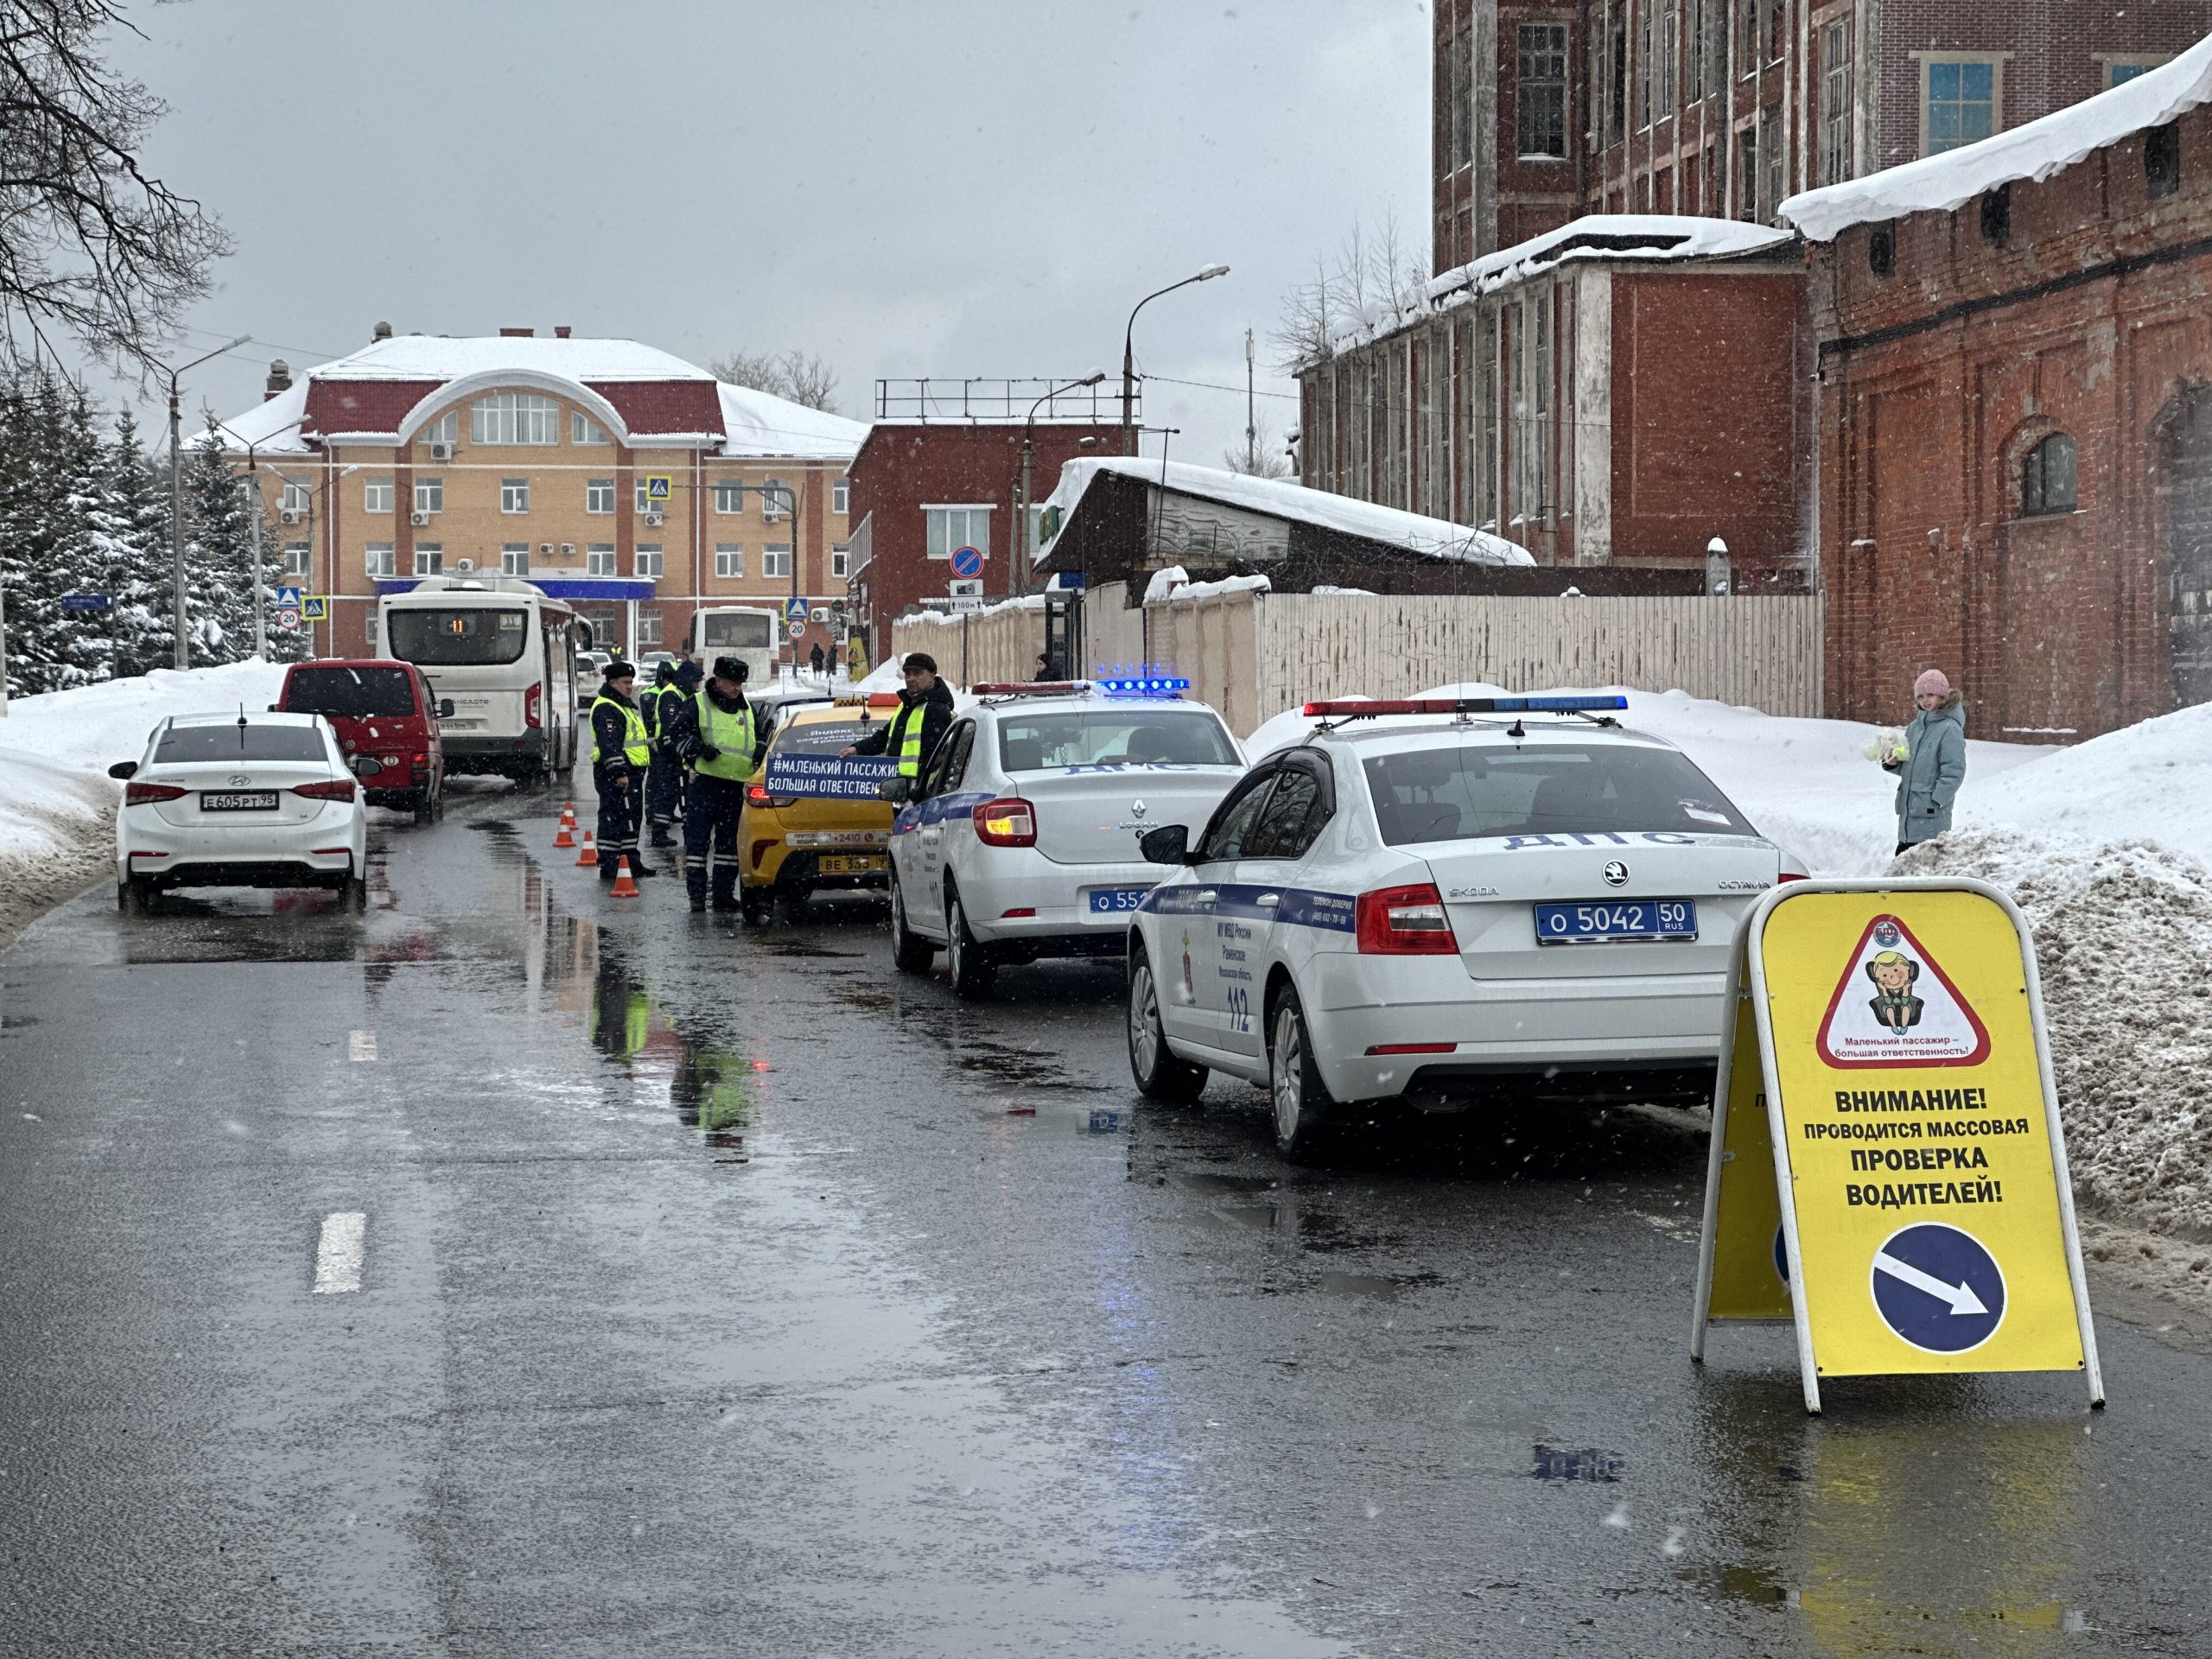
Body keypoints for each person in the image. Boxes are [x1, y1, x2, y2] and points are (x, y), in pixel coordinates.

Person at [668, 655, 765, 913]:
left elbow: (760, 736)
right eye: (732, 683)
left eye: (741, 684)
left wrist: (761, 749)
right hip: (706, 785)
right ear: (719, 680)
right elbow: (675, 735)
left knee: (729, 846)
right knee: (698, 845)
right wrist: (697, 748)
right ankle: (697, 897)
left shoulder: (746, 708)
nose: (737, 689)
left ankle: (723, 896)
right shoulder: (697, 704)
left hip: (737, 787)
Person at [588, 661, 658, 880]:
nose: (629, 687)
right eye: (625, 683)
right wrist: (618, 772)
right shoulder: (607, 707)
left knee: (630, 817)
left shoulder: (623, 705)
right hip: (616, 773)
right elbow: (610, 744)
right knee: (614, 817)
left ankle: (630, 861)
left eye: (631, 682)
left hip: (631, 772)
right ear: (612, 683)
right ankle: (609, 864)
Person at [842, 651, 955, 785]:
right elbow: (883, 738)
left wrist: (919, 789)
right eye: (908, 673)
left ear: (932, 675)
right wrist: (857, 749)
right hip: (900, 787)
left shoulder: (936, 710)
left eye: (917, 673)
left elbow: (933, 758)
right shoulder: (906, 706)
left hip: (919, 790)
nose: (911, 678)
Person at [1885, 668, 1967, 855]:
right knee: (1904, 874)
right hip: (1908, 818)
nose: (1925, 700)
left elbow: (1954, 772)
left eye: (1930, 694)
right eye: (1921, 696)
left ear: (1942, 695)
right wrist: (1894, 763)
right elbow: (1909, 767)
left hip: (1932, 819)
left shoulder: (1950, 729)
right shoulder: (1914, 727)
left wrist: (1936, 800)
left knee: (1925, 876)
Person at [641, 659, 685, 849]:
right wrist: (652, 738)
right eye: (666, 678)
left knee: (668, 784)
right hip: (656, 744)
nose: (668, 682)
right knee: (656, 780)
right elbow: (652, 719)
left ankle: (665, 814)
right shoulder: (650, 694)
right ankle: (651, 812)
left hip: (664, 744)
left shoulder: (672, 693)